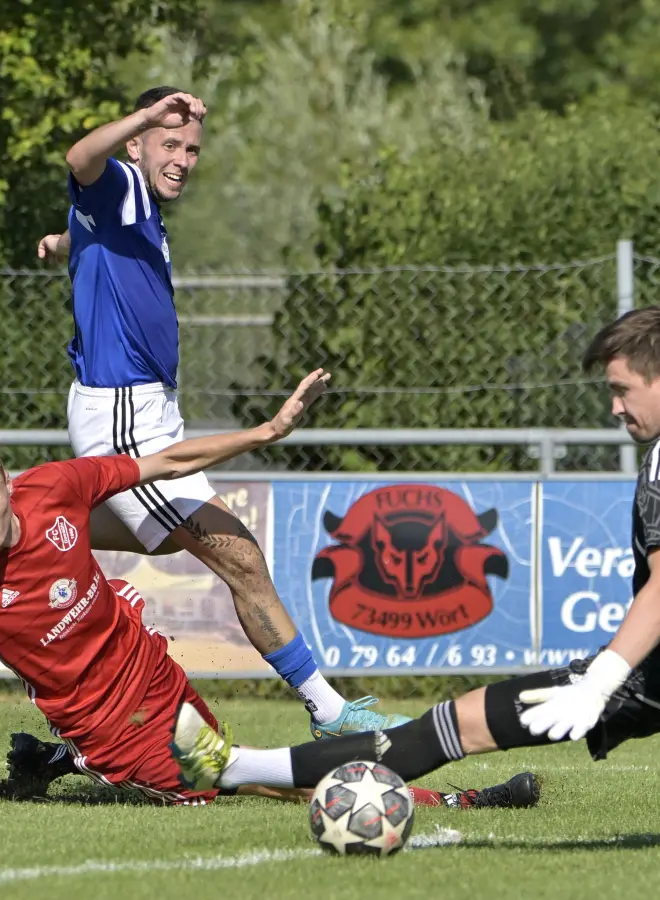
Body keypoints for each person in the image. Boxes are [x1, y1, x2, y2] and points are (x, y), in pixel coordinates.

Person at [170, 305, 660, 848]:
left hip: (658, 665)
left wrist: (596, 683)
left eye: (622, 392)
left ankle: (230, 766)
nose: (616, 409)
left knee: (447, 728)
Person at [0, 371, 536, 812]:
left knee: (237, 770)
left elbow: (166, 462)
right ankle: (460, 800)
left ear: (9, 481)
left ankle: (46, 760)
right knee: (253, 775)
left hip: (156, 675)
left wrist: (266, 431)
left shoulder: (56, 487)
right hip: (110, 729)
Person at [38, 84, 402, 740]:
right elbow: (78, 158)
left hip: (137, 409)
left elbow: (99, 232)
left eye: (192, 148)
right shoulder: (119, 180)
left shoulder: (134, 207)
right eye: (168, 143)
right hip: (125, 414)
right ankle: (330, 713)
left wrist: (64, 243)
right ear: (137, 143)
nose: (182, 157)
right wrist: (146, 116)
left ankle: (16, 534)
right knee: (240, 556)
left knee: (66, 532)